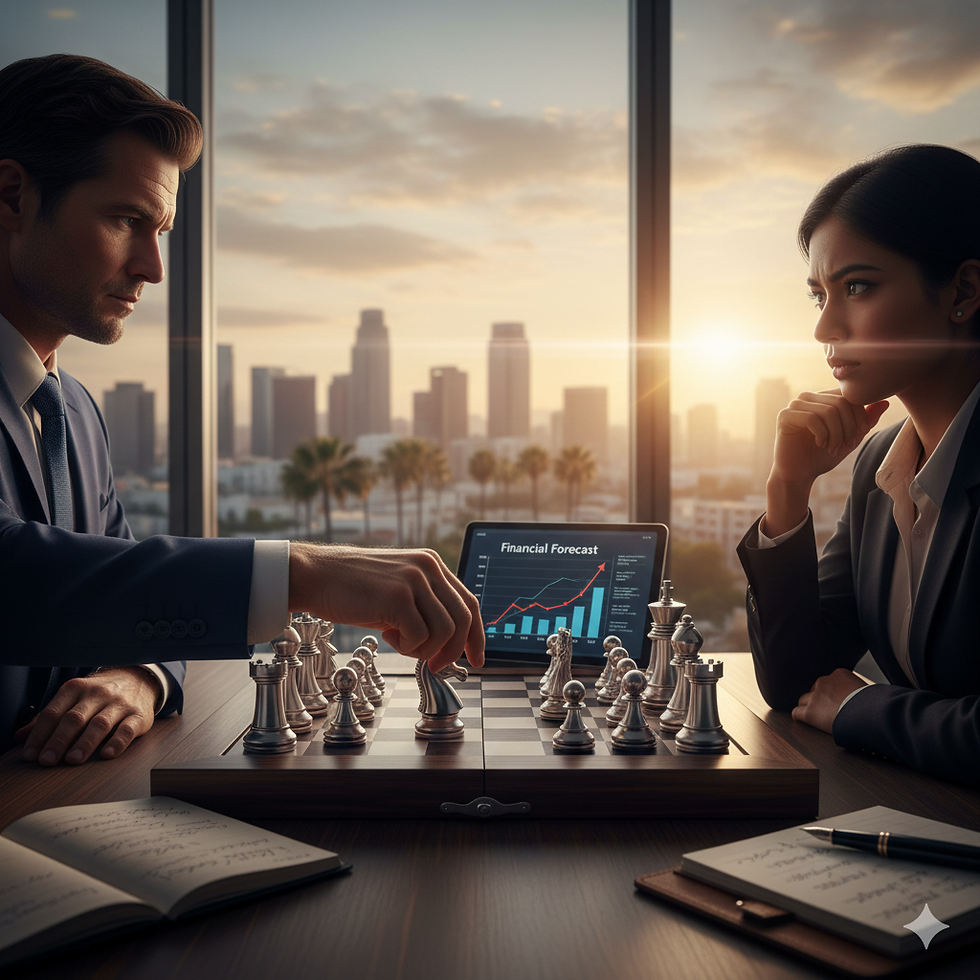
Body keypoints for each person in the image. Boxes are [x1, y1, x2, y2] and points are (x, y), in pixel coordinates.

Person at [0, 54, 483, 768]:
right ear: (12, 196)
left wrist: (139, 674)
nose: (152, 268)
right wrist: (302, 572)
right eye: (127, 220)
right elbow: (17, 575)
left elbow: (123, 587)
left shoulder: (70, 408)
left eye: (160, 231)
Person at [737, 144, 980, 787]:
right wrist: (789, 489)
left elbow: (836, 700)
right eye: (819, 295)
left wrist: (863, 709)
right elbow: (796, 683)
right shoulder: (880, 462)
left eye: (857, 287)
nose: (825, 328)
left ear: (963, 290)